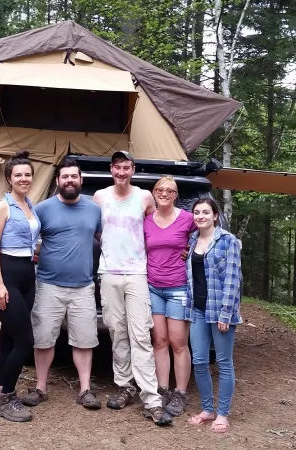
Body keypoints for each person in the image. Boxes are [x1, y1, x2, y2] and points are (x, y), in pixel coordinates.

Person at [93, 150, 173, 426]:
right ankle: (125, 386)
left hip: (137, 272)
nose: (121, 172)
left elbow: (156, 226)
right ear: (111, 170)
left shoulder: (144, 197)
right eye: (117, 168)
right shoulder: (101, 197)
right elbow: (95, 230)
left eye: (126, 167)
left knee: (140, 334)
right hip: (109, 272)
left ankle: (151, 399)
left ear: (133, 169)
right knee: (117, 332)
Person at [20, 158, 103, 410]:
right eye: (65, 177)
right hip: (48, 285)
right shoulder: (43, 209)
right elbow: (27, 241)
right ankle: (41, 388)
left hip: (83, 287)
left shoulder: (94, 209)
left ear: (81, 180)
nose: (69, 180)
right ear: (57, 181)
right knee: (44, 339)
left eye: (73, 177)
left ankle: (85, 390)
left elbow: (105, 239)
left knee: (84, 340)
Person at [0, 150, 41, 423]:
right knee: (24, 340)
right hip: (6, 276)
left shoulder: (30, 205)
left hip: (27, 276)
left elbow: (29, 241)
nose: (23, 178)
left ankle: (2, 389)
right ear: (9, 179)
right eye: (18, 175)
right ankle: (5, 398)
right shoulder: (2, 206)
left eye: (27, 174)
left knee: (9, 337)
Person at [185, 198, 243, 434]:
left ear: (215, 216)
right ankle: (207, 409)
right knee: (199, 361)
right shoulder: (192, 241)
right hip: (197, 310)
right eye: (197, 212)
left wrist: (226, 313)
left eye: (205, 212)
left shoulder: (228, 241)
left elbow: (232, 280)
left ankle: (222, 414)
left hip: (220, 311)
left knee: (224, 363)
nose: (200, 216)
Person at [143, 176, 197, 417]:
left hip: (178, 288)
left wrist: (192, 249)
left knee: (178, 343)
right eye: (160, 189)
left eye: (170, 191)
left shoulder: (187, 218)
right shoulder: (146, 221)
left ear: (176, 195)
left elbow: (205, 234)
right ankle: (162, 389)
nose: (164, 193)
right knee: (159, 342)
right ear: (154, 193)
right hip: (152, 286)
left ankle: (180, 393)